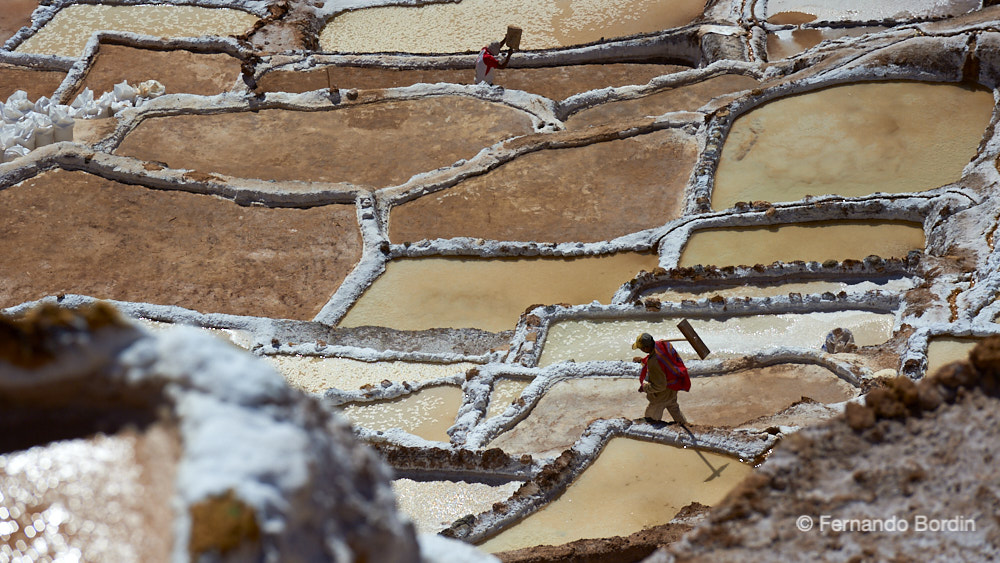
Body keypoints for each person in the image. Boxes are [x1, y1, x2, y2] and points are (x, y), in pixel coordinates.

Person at [632, 332, 690, 425]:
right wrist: (642, 360)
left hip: (661, 395)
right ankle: (685, 425)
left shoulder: (654, 362)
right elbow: (660, 359)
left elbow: (660, 386)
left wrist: (645, 387)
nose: (641, 350)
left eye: (641, 348)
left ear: (646, 348)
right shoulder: (663, 345)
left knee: (651, 420)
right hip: (672, 387)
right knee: (673, 408)